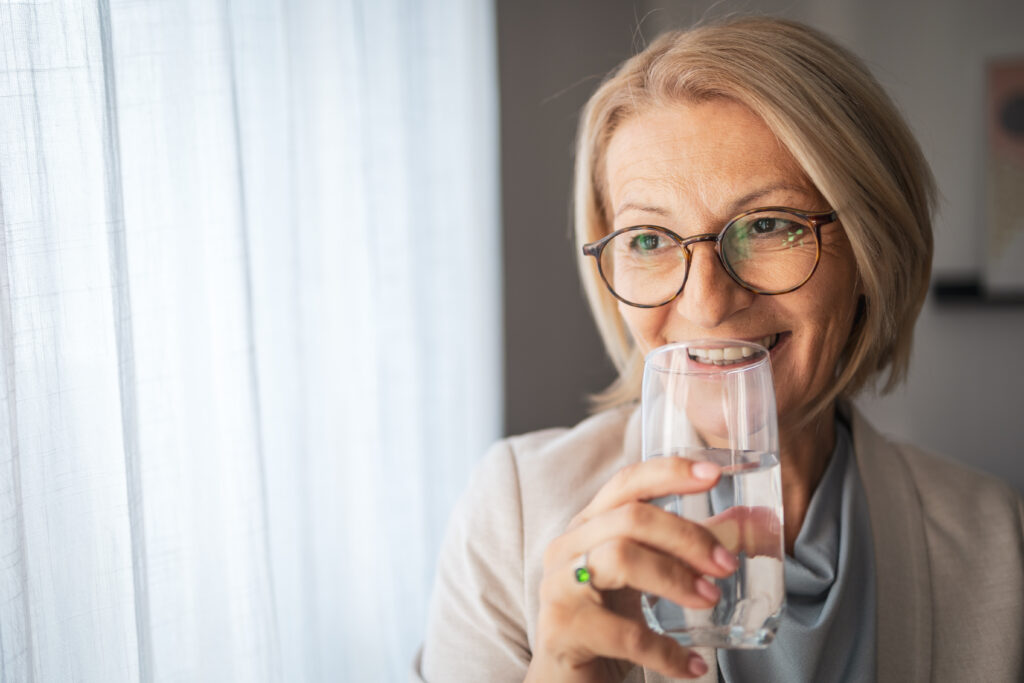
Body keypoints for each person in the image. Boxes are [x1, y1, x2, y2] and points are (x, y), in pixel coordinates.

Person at [413, 16, 1024, 683]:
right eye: (648, 239)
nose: (707, 302)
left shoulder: (999, 539)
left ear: (871, 249)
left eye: (768, 225)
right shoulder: (513, 515)